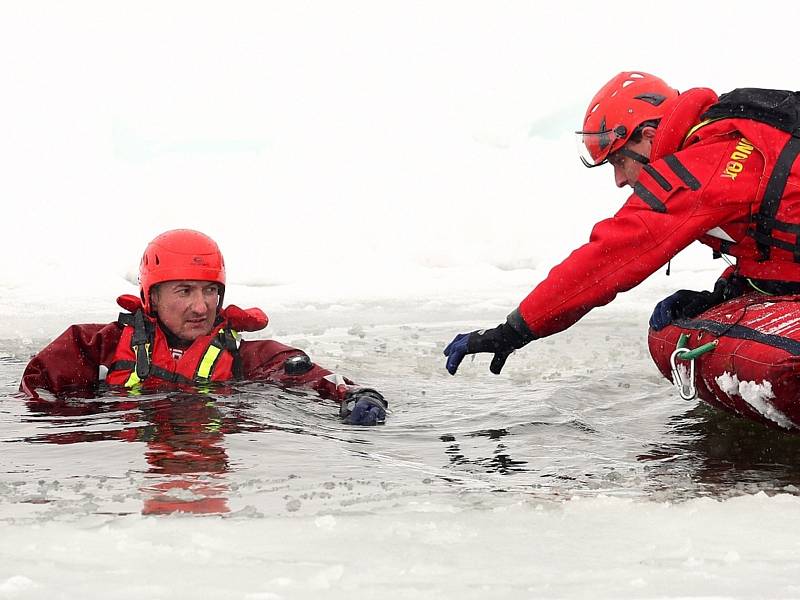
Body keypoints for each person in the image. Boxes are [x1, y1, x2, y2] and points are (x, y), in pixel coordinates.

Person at [444, 71, 800, 374]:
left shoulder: (697, 171)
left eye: (618, 162)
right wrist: (735, 284)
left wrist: (513, 330)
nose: (619, 180)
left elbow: (608, 259)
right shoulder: (736, 132)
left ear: (647, 136)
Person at [20, 229, 387, 426]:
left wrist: (358, 395)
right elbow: (37, 398)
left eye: (211, 290)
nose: (201, 306)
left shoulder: (248, 358)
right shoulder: (95, 345)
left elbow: (311, 375)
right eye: (185, 291)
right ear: (152, 297)